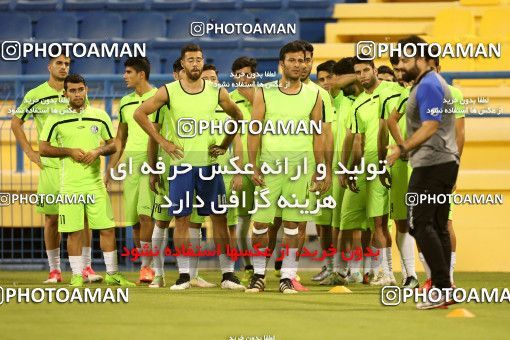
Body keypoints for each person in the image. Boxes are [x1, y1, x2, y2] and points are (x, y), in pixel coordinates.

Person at [134, 44, 245, 291]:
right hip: (181, 166)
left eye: (199, 59)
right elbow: (140, 114)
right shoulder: (169, 91)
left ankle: (228, 274)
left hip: (209, 165)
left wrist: (225, 144)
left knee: (220, 219)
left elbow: (238, 117)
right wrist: (164, 142)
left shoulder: (216, 91)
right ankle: (184, 275)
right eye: (191, 60)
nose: (195, 64)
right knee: (181, 219)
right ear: (182, 64)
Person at [12, 51, 101, 284]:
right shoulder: (35, 95)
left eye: (67, 64)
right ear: (49, 67)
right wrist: (31, 153)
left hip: (77, 167)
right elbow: (15, 122)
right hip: (52, 167)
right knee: (52, 219)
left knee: (82, 218)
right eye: (59, 64)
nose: (63, 67)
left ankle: (87, 268)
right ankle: (55, 270)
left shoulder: (75, 92)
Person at [39, 74, 135, 287]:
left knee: (107, 228)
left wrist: (98, 151)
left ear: (87, 90)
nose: (77, 94)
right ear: (65, 94)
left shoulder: (99, 115)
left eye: (80, 89)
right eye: (72, 91)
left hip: (94, 182)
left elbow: (113, 145)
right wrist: (68, 151)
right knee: (74, 231)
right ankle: (76, 275)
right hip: (70, 185)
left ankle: (112, 273)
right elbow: (43, 148)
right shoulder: (56, 119)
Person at [245, 41, 325, 294]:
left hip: (301, 167)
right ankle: (258, 274)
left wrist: (320, 167)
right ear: (281, 64)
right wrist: (251, 165)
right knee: (260, 225)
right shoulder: (264, 92)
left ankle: (287, 277)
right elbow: (254, 129)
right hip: (269, 167)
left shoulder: (315, 94)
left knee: (293, 225)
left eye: (302, 60)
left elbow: (318, 133)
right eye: (292, 60)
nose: (298, 64)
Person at [387, 35, 459, 309]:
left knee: (418, 224)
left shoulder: (428, 84)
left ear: (424, 60)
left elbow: (430, 125)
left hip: (432, 164)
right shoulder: (428, 83)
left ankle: (440, 287)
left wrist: (402, 148)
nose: (401, 65)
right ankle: (445, 287)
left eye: (406, 60)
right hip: (443, 163)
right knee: (438, 225)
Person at [105, 57, 157, 284]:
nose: (124, 76)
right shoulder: (125, 103)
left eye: (128, 72)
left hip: (152, 161)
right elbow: (120, 139)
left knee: (147, 215)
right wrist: (109, 169)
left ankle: (148, 267)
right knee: (134, 220)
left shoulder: (159, 98)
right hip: (131, 164)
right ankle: (146, 265)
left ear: (141, 74)